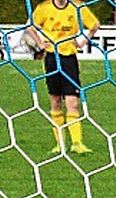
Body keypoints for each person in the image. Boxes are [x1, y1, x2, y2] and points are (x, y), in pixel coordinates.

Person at [26, 0, 101, 155]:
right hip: (52, 58)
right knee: (55, 101)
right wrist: (40, 44)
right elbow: (30, 27)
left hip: (69, 59)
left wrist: (81, 42)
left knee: (72, 102)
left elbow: (94, 25)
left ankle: (77, 143)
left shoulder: (77, 6)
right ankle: (60, 144)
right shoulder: (44, 8)